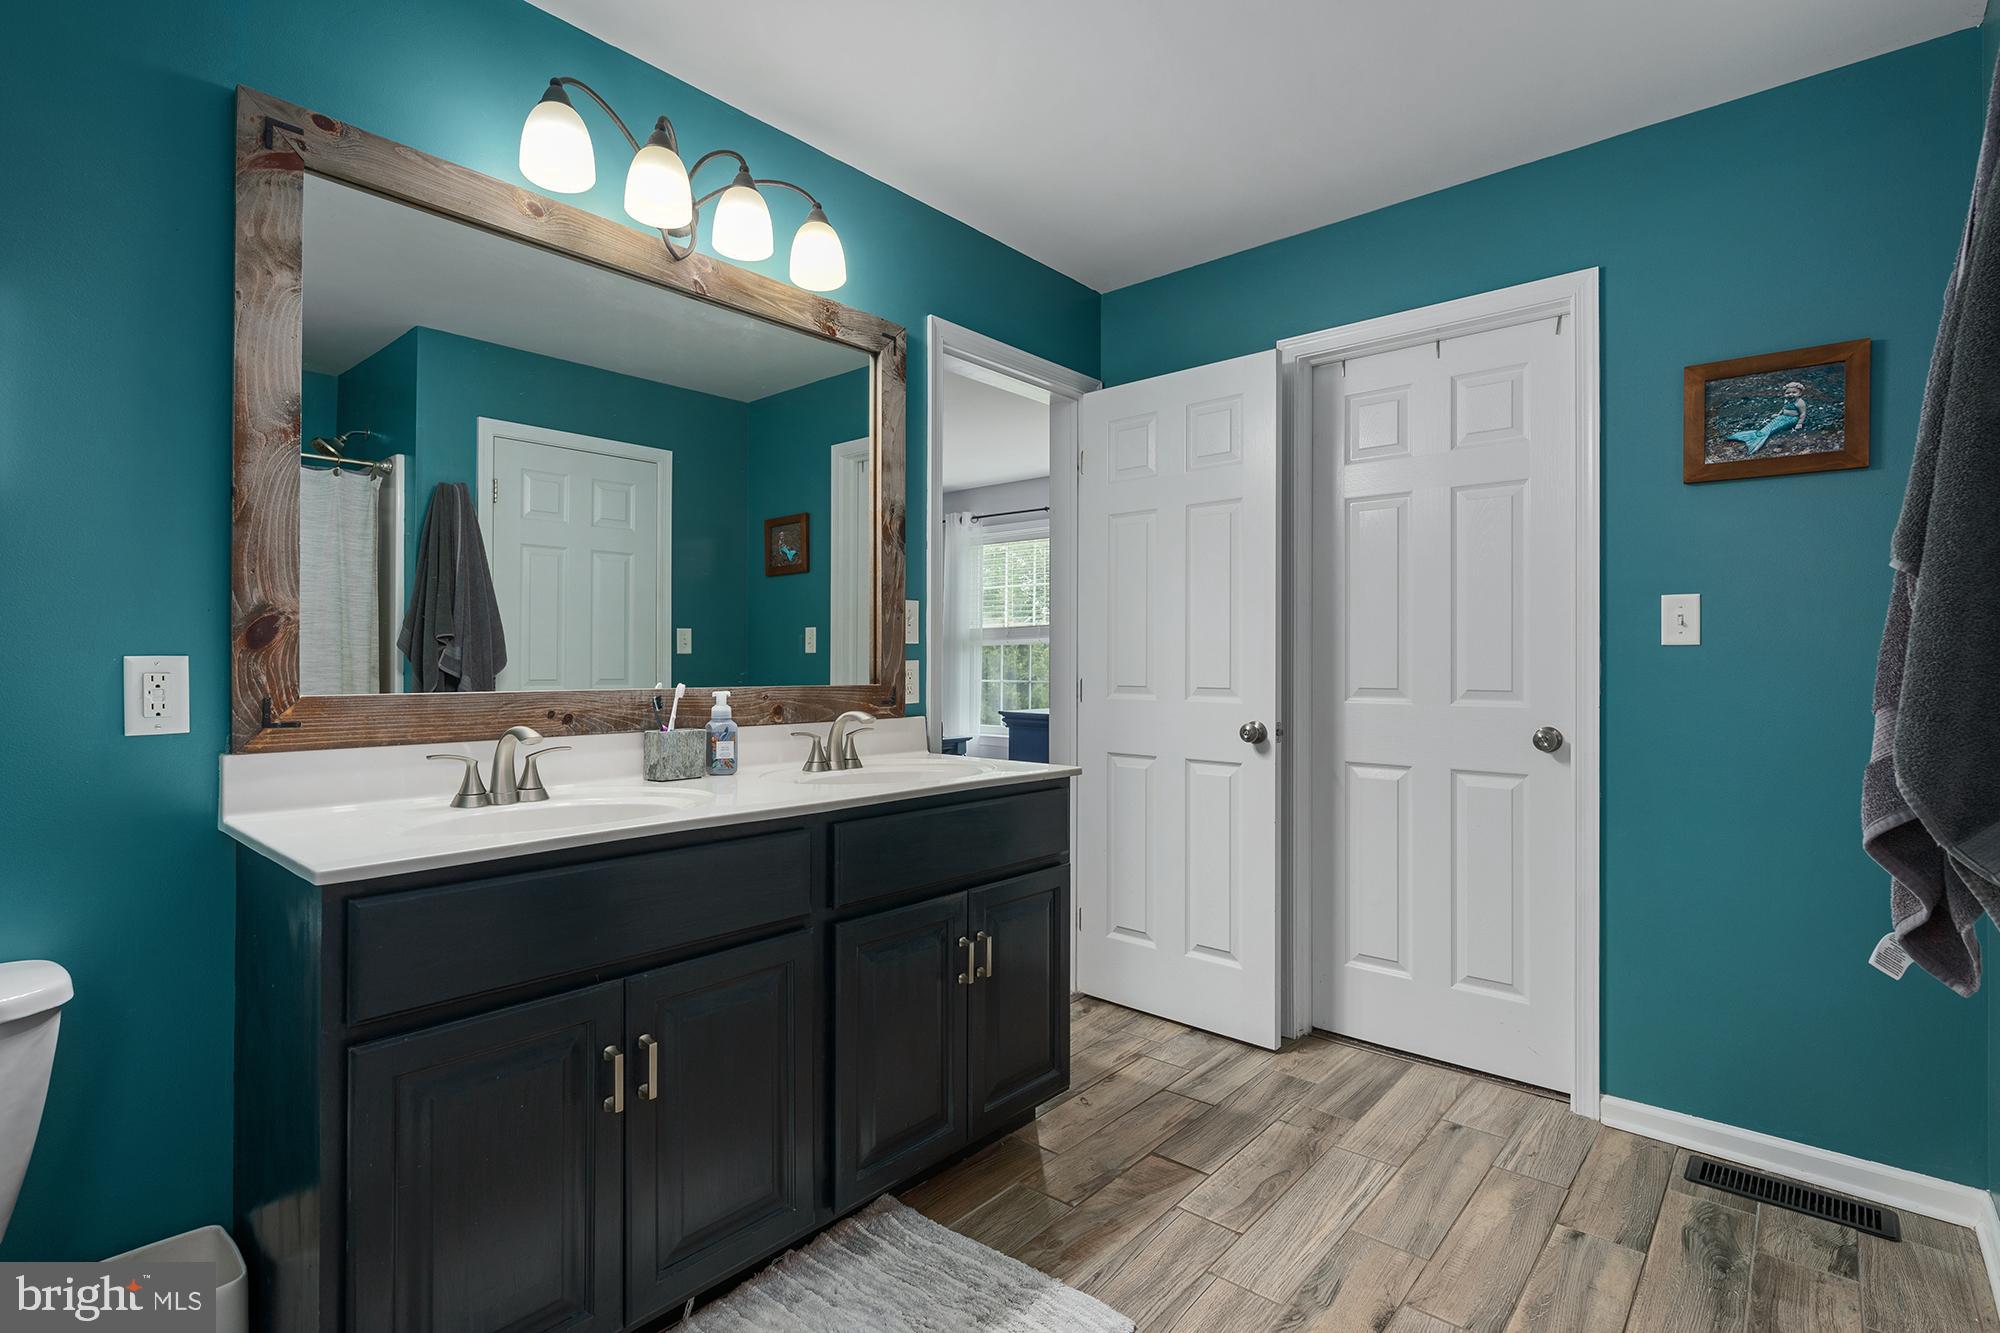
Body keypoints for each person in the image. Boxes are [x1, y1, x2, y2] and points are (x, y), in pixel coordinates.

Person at [1727, 381, 1808, 454]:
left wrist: (1800, 423)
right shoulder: (1787, 400)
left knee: (1777, 426)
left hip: (1793, 418)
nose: (1790, 394)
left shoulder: (1800, 402)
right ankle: (1757, 435)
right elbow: (1784, 408)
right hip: (1783, 416)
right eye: (1788, 393)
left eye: (1794, 392)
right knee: (1773, 423)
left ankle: (1758, 438)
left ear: (1800, 393)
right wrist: (1779, 414)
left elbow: (1803, 414)